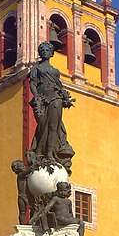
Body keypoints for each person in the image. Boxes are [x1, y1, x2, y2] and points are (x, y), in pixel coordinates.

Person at [28, 42, 75, 172]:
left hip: (56, 98)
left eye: (47, 50)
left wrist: (65, 97)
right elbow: (32, 84)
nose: (44, 51)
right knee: (43, 126)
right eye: (42, 50)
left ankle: (50, 153)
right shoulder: (36, 69)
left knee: (54, 125)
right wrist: (37, 96)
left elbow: (59, 87)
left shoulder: (55, 71)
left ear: (51, 53)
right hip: (42, 99)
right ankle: (40, 152)